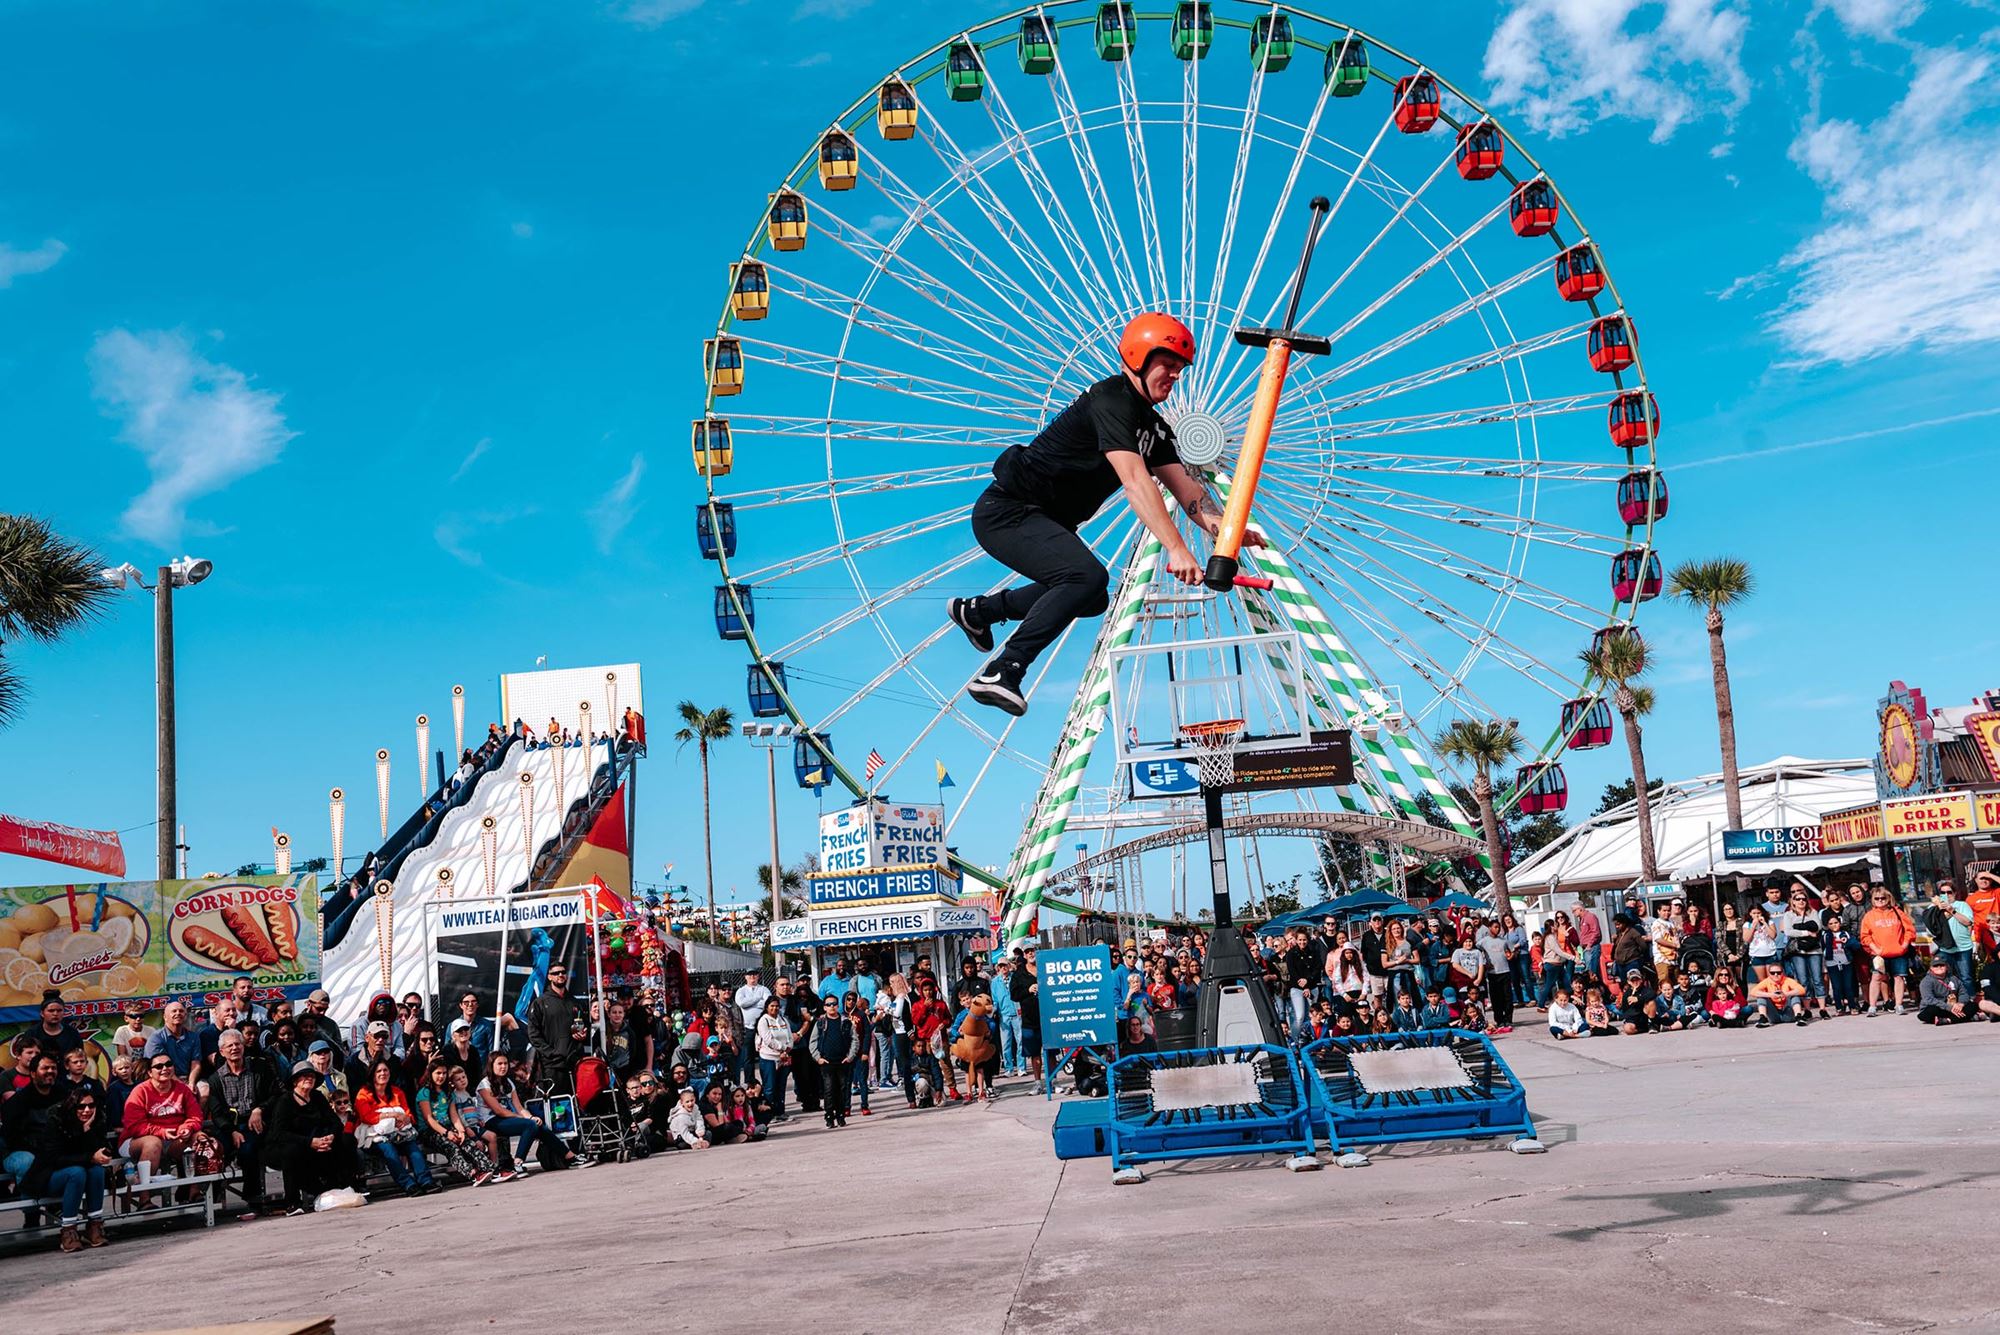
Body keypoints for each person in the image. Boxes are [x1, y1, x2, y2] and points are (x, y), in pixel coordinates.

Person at [951, 313, 1263, 715]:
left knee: (1092, 596)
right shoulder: (1110, 400)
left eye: (1181, 369)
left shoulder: (1155, 429)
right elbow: (1135, 481)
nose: (1175, 376)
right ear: (1138, 356)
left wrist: (1229, 532)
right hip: (1007, 512)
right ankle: (1003, 670)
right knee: (1084, 576)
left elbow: (1189, 494)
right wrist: (1176, 548)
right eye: (1168, 365)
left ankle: (981, 612)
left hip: (1042, 520)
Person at [267, 1061, 360, 1214]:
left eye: (311, 1076)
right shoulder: (285, 1102)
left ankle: (349, 1187)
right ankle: (293, 1203)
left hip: (320, 1141)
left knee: (346, 1140)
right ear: (295, 1081)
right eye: (304, 1077)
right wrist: (310, 1142)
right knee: (291, 1151)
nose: (309, 1079)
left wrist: (329, 1137)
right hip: (294, 1144)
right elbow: (279, 1133)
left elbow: (335, 1123)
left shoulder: (317, 1097)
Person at [202, 1029, 277, 1218]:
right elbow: (217, 1113)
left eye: (238, 1044)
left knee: (248, 1149)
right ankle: (209, 1199)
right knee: (216, 1150)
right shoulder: (215, 1079)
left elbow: (275, 1095)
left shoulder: (259, 1069)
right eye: (230, 1046)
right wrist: (232, 1131)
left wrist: (259, 1109)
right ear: (222, 1051)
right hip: (229, 1126)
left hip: (255, 1123)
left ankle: (253, 1200)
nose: (235, 1048)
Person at [25, 1088, 111, 1252]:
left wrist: (87, 1130)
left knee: (97, 1171)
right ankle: (68, 1231)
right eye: (81, 1106)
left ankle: (94, 1226)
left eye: (91, 1105)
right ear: (72, 1106)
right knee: (76, 1172)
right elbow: (54, 1159)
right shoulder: (56, 1121)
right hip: (49, 1176)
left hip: (81, 1175)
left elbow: (99, 1150)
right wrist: (89, 1158)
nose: (87, 1110)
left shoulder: (97, 1120)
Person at [354, 1058, 436, 1196]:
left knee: (412, 1146)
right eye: (379, 1071)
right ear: (372, 1074)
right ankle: (408, 1184)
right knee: (388, 1149)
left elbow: (408, 1114)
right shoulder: (364, 1093)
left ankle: (426, 1181)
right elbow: (366, 1116)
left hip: (399, 1133)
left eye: (385, 1070)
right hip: (374, 1136)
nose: (383, 1073)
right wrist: (393, 1115)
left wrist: (404, 1118)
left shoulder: (397, 1092)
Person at [414, 1060, 497, 1185]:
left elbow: (454, 1116)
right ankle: (473, 1173)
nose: (441, 1076)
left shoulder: (448, 1093)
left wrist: (461, 1131)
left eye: (444, 1073)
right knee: (451, 1147)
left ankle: (490, 1169)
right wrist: (447, 1133)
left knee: (468, 1143)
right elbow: (429, 1119)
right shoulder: (424, 1093)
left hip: (448, 1127)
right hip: (430, 1130)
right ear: (431, 1074)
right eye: (438, 1073)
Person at [525, 963, 583, 1090]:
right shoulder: (540, 1003)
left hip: (574, 1062)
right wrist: (551, 1053)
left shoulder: (575, 1002)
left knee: (575, 1104)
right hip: (552, 1065)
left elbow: (584, 1027)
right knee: (556, 1105)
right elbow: (534, 1035)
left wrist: (583, 1033)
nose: (560, 975)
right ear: (550, 977)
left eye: (562, 972)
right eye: (556, 973)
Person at [1860, 888, 1916, 1015]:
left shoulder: (1897, 912)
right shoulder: (1869, 916)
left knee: (1899, 977)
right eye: (1877, 898)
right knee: (1876, 978)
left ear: (1888, 898)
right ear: (1872, 900)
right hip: (1879, 954)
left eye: (1883, 898)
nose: (1880, 901)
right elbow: (1865, 936)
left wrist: (1905, 944)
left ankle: (1899, 1005)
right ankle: (1872, 1007)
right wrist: (1875, 949)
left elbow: (1909, 929)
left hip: (1898, 952)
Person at [1776, 888, 1828, 1019]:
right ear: (1792, 902)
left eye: (1803, 899)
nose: (1801, 901)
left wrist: (1798, 927)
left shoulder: (1813, 912)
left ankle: (1823, 1008)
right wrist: (1806, 932)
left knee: (1817, 978)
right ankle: (1807, 1009)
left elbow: (1817, 927)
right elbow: (1788, 931)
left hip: (1814, 949)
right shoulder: (1788, 915)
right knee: (1803, 980)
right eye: (1797, 899)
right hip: (1798, 950)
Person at [810, 992, 860, 1127]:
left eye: (834, 1004)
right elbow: (813, 1042)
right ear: (824, 1007)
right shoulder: (820, 1023)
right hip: (826, 1062)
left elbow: (855, 1039)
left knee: (843, 1089)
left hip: (842, 1061)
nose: (832, 1007)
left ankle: (841, 1115)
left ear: (838, 1006)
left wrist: (850, 1057)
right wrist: (818, 1058)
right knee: (829, 1089)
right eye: (828, 1005)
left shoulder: (846, 1022)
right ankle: (829, 1116)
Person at [1926, 881, 1977, 1001]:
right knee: (1941, 975)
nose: (1946, 894)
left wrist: (1951, 910)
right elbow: (1930, 930)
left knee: (1966, 977)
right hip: (1945, 948)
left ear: (1954, 893)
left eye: (1949, 892)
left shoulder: (1962, 905)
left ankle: (1970, 1002)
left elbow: (1968, 922)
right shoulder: (1932, 908)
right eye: (1943, 892)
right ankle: (1945, 1002)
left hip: (1963, 947)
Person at [753, 996, 794, 1121]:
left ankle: (780, 1112)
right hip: (768, 1058)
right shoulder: (763, 1021)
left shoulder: (783, 1020)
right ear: (767, 1007)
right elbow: (768, 1040)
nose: (775, 1008)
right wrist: (781, 1049)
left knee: (781, 1086)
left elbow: (790, 1038)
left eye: (777, 1006)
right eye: (772, 1006)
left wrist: (787, 1050)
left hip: (783, 1058)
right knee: (770, 1087)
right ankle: (768, 1114)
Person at [733, 967, 773, 1085]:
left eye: (754, 975)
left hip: (763, 1028)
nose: (752, 977)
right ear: (745, 977)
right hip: (748, 1028)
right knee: (748, 1057)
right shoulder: (741, 990)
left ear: (758, 976)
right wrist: (757, 999)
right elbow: (742, 1003)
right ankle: (749, 1081)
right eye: (749, 975)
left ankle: (766, 1081)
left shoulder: (764, 989)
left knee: (765, 1056)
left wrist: (751, 1002)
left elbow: (767, 1003)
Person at [143, 1000, 203, 1078]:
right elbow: (160, 1067)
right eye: (174, 1011)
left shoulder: (193, 1037)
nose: (178, 1013)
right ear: (165, 1017)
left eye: (181, 1011)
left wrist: (191, 1083)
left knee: (204, 1088)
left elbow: (196, 1064)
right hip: (164, 1079)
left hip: (189, 1078)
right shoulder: (156, 1038)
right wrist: (181, 1086)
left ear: (185, 1016)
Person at [1748, 962, 1808, 1027]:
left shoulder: (1788, 980)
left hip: (1788, 1014)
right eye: (1772, 973)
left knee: (1794, 995)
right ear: (1769, 974)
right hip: (1774, 1015)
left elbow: (1802, 990)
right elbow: (1753, 992)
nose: (1776, 975)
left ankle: (1798, 1017)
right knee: (1761, 997)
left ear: (1782, 973)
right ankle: (1763, 1018)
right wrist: (1770, 995)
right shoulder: (1766, 981)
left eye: (1778, 972)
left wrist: (1786, 994)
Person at [1915, 957, 1970, 1025]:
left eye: (1942, 965)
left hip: (1953, 1007)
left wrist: (1961, 1004)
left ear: (1946, 967)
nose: (1939, 967)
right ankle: (1966, 1017)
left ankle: (1947, 1020)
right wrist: (1949, 1007)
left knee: (1973, 1006)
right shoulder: (1926, 981)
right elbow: (1929, 999)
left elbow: (1963, 993)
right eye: (1935, 966)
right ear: (1931, 968)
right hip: (1938, 1008)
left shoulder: (1954, 978)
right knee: (1930, 1011)